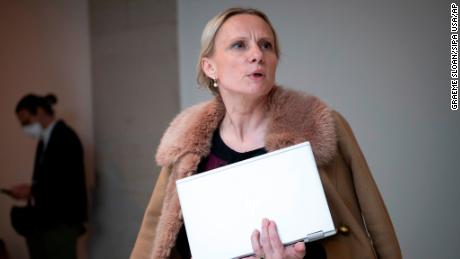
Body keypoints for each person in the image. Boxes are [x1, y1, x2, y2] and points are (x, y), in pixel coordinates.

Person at [131, 7, 402, 259]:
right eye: (239, 45)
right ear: (210, 67)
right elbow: (156, 236)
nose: (257, 55)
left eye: (266, 45)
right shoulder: (185, 142)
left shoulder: (322, 125)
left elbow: (376, 223)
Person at [7, 94, 88, 259]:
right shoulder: (45, 140)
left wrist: (32, 190)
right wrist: (31, 190)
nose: (24, 127)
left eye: (26, 121)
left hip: (61, 222)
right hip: (46, 222)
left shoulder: (65, 137)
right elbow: (48, 179)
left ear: (39, 111)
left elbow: (66, 183)